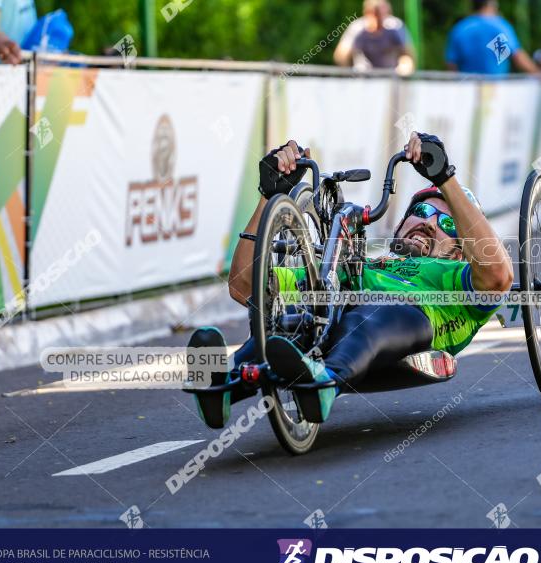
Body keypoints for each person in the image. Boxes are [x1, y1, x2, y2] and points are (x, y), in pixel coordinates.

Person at [190, 132, 514, 426]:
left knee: (370, 313)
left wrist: (445, 179)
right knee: (293, 315)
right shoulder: (356, 266)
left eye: (448, 224)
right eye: (425, 213)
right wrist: (268, 195)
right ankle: (221, 385)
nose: (430, 224)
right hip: (338, 309)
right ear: (401, 223)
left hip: (407, 319)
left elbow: (498, 277)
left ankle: (325, 384)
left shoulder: (458, 277)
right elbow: (245, 285)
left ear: (462, 250)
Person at [445, 0, 540, 75]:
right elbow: (517, 56)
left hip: (467, 88)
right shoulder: (500, 25)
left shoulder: (460, 28)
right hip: (495, 87)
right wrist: (538, 73)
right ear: (491, 4)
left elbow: (451, 64)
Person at [334, 0, 412, 72]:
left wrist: (405, 67)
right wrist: (348, 71)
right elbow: (341, 55)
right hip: (363, 79)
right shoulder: (357, 28)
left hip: (390, 78)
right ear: (366, 13)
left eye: (382, 15)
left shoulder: (395, 27)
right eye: (375, 15)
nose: (379, 20)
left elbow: (408, 54)